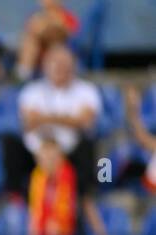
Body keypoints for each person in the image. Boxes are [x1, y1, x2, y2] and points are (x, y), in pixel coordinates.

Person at [10, 44, 100, 200]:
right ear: (45, 66)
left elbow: (85, 121)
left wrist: (44, 118)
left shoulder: (87, 90)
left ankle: (84, 198)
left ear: (73, 66)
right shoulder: (32, 90)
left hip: (69, 150)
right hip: (37, 151)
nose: (60, 68)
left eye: (65, 63)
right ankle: (16, 197)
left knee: (88, 146)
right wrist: (66, 119)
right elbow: (28, 121)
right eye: (55, 63)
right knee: (10, 142)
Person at [16, 0, 79, 81]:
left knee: (52, 30)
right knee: (30, 40)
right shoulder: (35, 16)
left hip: (60, 54)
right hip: (38, 58)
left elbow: (71, 36)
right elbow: (30, 32)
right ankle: (23, 74)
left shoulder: (68, 17)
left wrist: (52, 25)